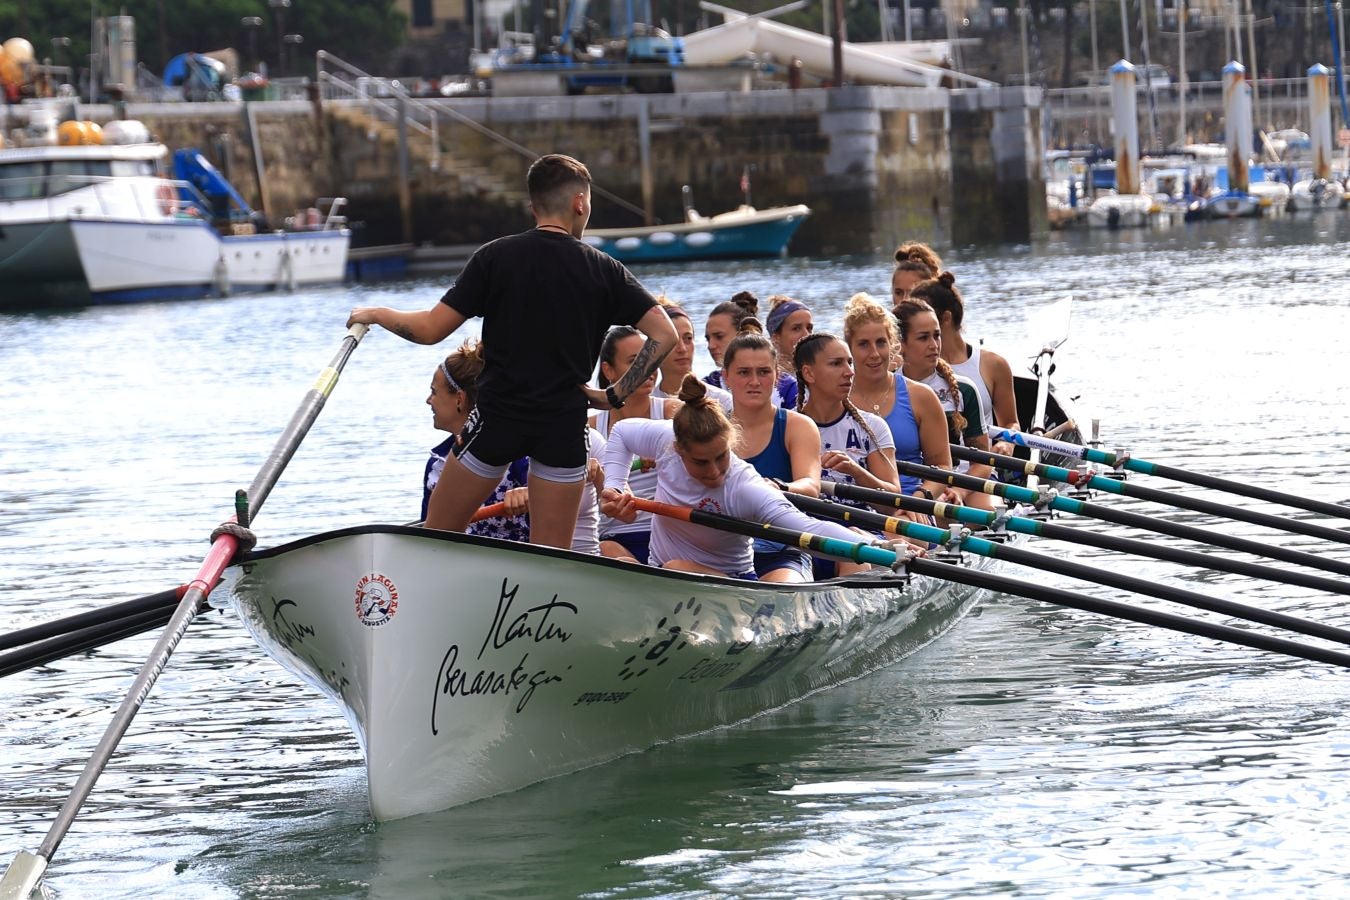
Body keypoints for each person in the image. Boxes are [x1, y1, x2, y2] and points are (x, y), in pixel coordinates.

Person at [347, 153, 679, 549]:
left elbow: (430, 330)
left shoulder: (494, 257)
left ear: (533, 207)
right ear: (580, 203)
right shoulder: (604, 269)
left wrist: (379, 313)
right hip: (563, 426)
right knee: (551, 557)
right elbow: (665, 334)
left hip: (497, 418)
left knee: (435, 539)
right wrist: (614, 395)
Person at [600, 375, 908, 579]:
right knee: (621, 557)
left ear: (731, 441)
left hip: (733, 585)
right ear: (678, 449)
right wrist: (615, 486)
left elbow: (809, 529)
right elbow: (622, 433)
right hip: (668, 576)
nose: (715, 471)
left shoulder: (744, 486)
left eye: (721, 457)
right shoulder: (664, 440)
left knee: (676, 568)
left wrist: (876, 549)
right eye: (701, 462)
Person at [422, 341, 601, 551]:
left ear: (459, 398)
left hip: (517, 562)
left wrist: (527, 494)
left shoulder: (516, 451)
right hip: (458, 561)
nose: (428, 401)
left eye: (434, 392)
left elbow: (551, 500)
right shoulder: (436, 463)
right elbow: (425, 538)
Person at [794, 331, 910, 578]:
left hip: (863, 528)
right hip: (807, 531)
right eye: (836, 364)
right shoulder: (787, 427)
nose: (849, 371)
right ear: (809, 374)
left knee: (852, 549)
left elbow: (892, 504)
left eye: (849, 362)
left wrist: (857, 472)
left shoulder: (873, 426)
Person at [722, 319, 822, 582]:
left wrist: (780, 487)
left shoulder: (797, 426)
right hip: (722, 552)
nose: (754, 381)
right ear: (726, 377)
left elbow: (811, 486)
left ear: (777, 375)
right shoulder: (712, 429)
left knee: (781, 589)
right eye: (744, 372)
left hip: (783, 549)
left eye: (763, 372)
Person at [842, 293, 958, 502]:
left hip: (912, 502)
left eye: (880, 342)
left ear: (893, 344)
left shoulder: (921, 397)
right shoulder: (837, 397)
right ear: (849, 349)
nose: (875, 353)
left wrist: (920, 498)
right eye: (864, 344)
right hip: (854, 504)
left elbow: (942, 466)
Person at [894, 295, 997, 511]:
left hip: (958, 481)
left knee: (987, 510)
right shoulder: (887, 388)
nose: (934, 345)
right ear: (900, 344)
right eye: (923, 338)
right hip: (906, 486)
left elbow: (983, 463)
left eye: (937, 336)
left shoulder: (964, 389)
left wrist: (958, 490)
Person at [591, 325, 679, 563]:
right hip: (614, 539)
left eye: (650, 359)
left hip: (669, 535)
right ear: (608, 370)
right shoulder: (588, 426)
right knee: (607, 549)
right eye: (634, 361)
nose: (647, 368)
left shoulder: (674, 414)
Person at [910, 271, 1020, 455]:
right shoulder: (913, 369)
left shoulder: (993, 365)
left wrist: (1006, 443)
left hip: (980, 470)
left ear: (945, 318)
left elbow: (1010, 422)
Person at [704, 291, 794, 407]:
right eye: (708, 339)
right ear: (727, 376)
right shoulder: (708, 385)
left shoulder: (787, 387)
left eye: (719, 336)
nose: (710, 345)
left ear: (742, 334)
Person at [651, 297, 733, 410]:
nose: (682, 349)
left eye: (688, 338)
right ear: (654, 347)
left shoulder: (722, 400)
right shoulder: (649, 405)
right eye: (673, 341)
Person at [763, 294, 812, 407]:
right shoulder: (771, 378)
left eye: (809, 328)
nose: (806, 334)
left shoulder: (818, 372)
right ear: (776, 338)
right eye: (796, 328)